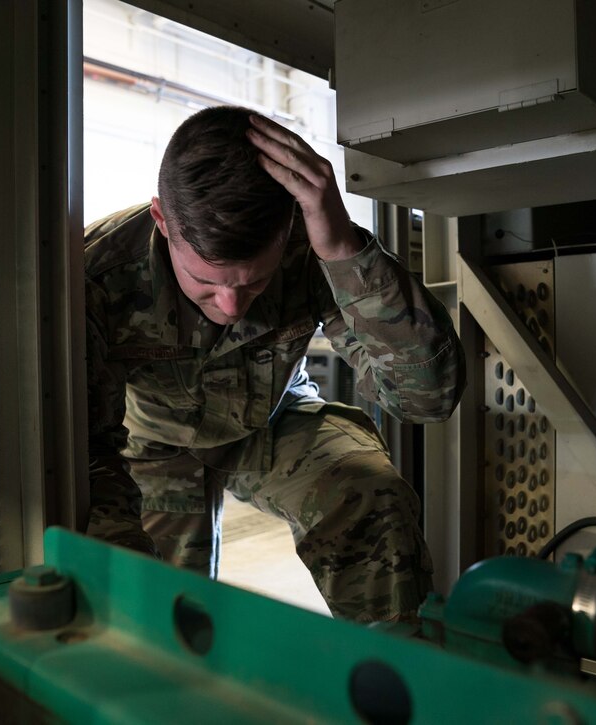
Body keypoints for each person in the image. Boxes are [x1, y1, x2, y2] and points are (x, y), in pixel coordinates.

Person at [83, 106, 465, 623]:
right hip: (150, 442)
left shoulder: (314, 250)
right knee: (146, 611)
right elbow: (81, 450)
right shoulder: (99, 270)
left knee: (369, 497)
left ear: (286, 230)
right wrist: (114, 552)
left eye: (254, 283)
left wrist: (342, 248)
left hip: (274, 420)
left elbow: (426, 397)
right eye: (208, 284)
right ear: (161, 222)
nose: (233, 306)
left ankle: (390, 681)